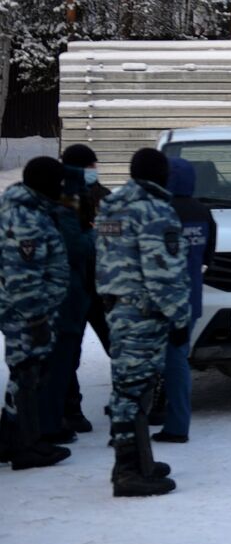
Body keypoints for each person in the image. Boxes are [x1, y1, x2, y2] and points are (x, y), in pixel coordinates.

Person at [96, 148, 190, 496]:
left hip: (119, 309)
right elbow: (162, 274)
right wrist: (179, 317)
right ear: (161, 175)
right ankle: (130, 472)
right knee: (136, 392)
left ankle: (139, 462)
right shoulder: (155, 211)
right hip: (144, 314)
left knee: (127, 387)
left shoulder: (113, 206)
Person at [0, 157, 72, 470]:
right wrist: (36, 319)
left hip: (30, 311)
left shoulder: (33, 210)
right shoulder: (25, 218)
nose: (63, 188)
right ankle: (24, 447)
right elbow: (22, 277)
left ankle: (12, 440)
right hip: (26, 313)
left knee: (25, 373)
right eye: (58, 183)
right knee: (25, 372)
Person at [153, 157, 217, 445]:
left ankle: (172, 423)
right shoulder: (203, 212)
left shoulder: (159, 211)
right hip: (191, 296)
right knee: (178, 358)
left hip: (161, 299)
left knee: (165, 361)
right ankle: (175, 419)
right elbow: (208, 256)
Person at [37, 165, 94, 444]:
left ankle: (50, 421)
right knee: (58, 366)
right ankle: (47, 426)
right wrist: (94, 237)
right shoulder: (62, 211)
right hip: (64, 301)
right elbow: (77, 249)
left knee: (56, 366)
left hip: (61, 300)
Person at [60, 143, 110, 433]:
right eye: (91, 166)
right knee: (69, 352)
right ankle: (72, 410)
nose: (94, 171)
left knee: (117, 346)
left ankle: (128, 403)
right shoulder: (62, 200)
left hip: (99, 286)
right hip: (77, 286)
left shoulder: (103, 197)